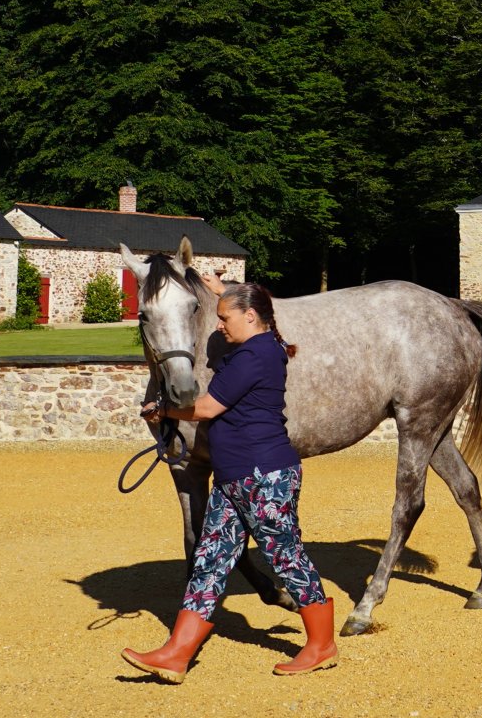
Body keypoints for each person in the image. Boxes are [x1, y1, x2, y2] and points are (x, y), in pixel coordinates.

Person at [121, 280, 337, 681]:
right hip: (234, 476)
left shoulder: (254, 355)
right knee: (210, 560)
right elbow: (257, 311)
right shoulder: (263, 344)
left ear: (250, 316)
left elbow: (205, 408)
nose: (219, 325)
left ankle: (322, 644)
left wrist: (163, 410)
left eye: (225, 318)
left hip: (263, 475)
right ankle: (177, 652)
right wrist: (222, 290)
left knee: (285, 556)